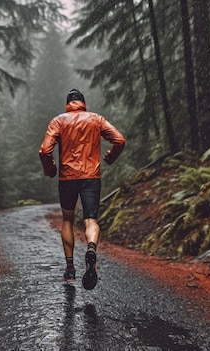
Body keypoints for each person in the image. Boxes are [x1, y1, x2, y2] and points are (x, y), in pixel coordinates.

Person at [39, 88, 126, 290]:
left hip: (67, 177)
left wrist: (51, 169)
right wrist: (111, 157)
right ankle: (91, 248)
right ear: (83, 103)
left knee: (68, 219)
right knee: (90, 220)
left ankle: (70, 268)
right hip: (91, 177)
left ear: (68, 104)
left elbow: (45, 150)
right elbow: (119, 140)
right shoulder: (96, 119)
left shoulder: (59, 121)